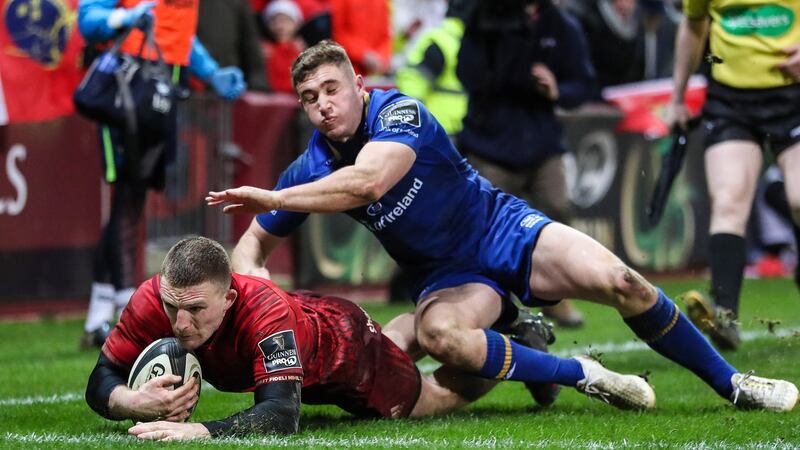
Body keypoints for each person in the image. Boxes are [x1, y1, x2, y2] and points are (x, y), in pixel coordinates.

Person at [207, 40, 799, 412]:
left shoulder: (399, 111)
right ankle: (579, 372)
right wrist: (264, 305)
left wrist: (274, 195)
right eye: (310, 98)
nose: (324, 105)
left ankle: (734, 385)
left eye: (333, 89)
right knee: (440, 340)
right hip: (445, 275)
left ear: (360, 85)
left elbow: (368, 183)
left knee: (625, 282)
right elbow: (251, 244)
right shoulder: (308, 166)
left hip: (500, 228)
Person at [86, 236, 487, 441]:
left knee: (431, 402)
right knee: (393, 348)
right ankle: (413, 329)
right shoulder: (152, 299)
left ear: (228, 299)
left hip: (345, 353)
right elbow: (102, 377)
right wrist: (133, 401)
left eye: (195, 310)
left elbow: (280, 414)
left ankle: (514, 348)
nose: (180, 323)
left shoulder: (264, 313)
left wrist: (200, 430)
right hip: (305, 323)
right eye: (172, 307)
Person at [77, 0, 248, 350]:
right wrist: (122, 17)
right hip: (126, 89)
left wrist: (211, 71)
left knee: (131, 203)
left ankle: (99, 318)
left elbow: (179, 35)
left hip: (161, 94)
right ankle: (126, 313)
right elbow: (87, 18)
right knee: (126, 201)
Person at [667, 0, 800, 350]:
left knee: (799, 200)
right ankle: (725, 317)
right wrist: (677, 96)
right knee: (728, 200)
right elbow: (693, 27)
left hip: (794, 93)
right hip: (730, 102)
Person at [456, 0, 592, 329]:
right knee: (488, 230)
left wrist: (556, 89)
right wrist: (508, 66)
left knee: (558, 210)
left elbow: (584, 84)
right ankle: (495, 306)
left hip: (542, 143)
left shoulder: (561, 24)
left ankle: (557, 299)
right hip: (490, 143)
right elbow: (468, 74)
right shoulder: (484, 16)